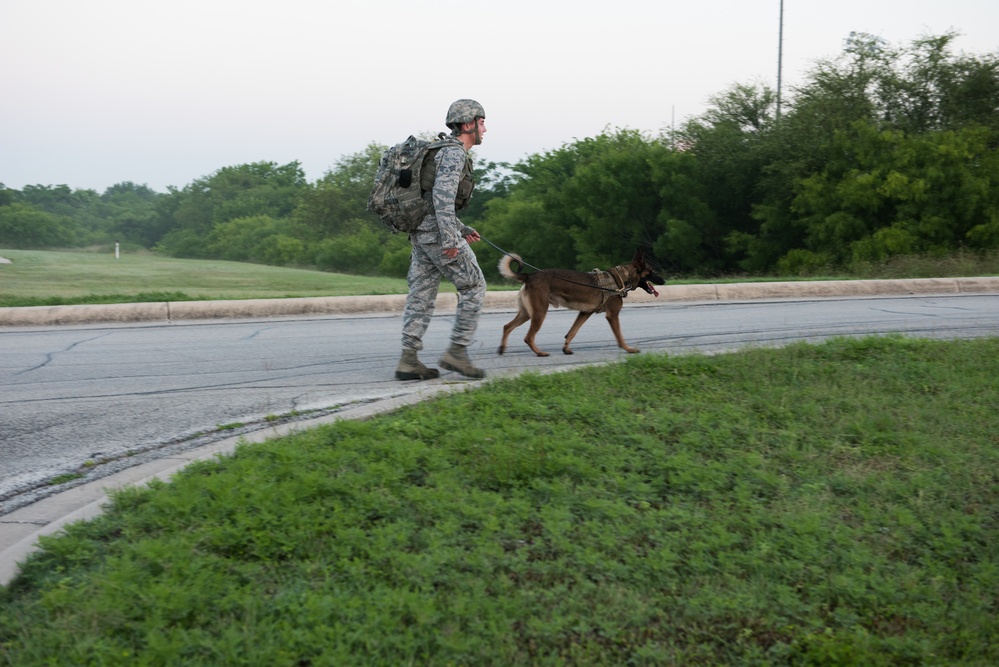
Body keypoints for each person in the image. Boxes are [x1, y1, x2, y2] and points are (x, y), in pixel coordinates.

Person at [395, 99, 488, 381]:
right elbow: (442, 198)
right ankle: (457, 352)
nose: (485, 128)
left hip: (422, 233)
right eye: (482, 122)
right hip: (437, 234)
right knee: (474, 285)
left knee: (421, 296)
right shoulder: (455, 153)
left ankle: (408, 360)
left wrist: (460, 228)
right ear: (468, 124)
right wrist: (450, 237)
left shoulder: (441, 152)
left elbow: (432, 202)